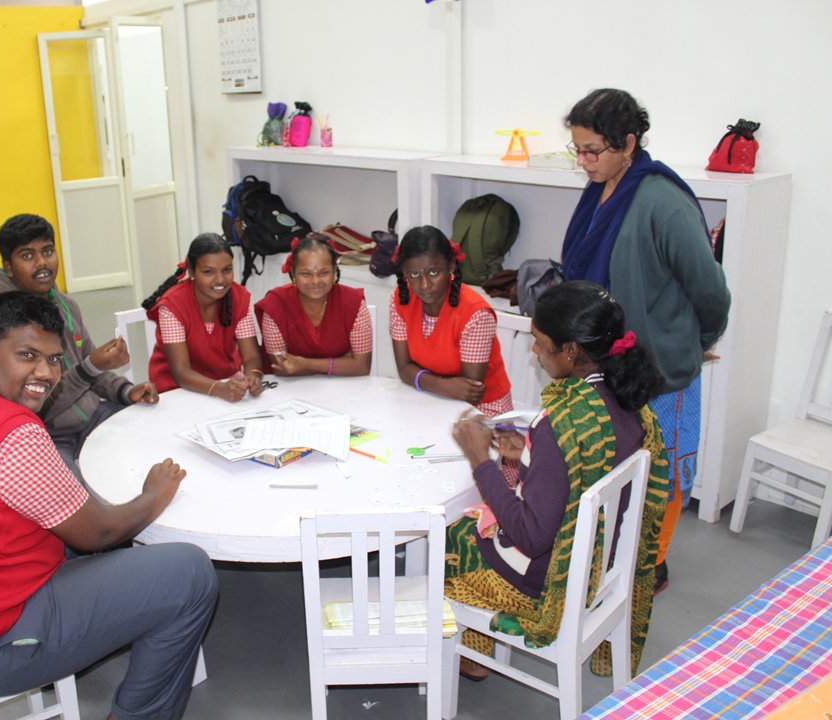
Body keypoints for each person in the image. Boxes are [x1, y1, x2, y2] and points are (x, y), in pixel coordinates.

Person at [0, 291, 217, 720]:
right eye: (27, 355)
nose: (45, 373)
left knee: (101, 535)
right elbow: (99, 532)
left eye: (54, 359)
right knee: (189, 573)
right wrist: (154, 494)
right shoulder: (10, 432)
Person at [445, 280, 669, 682]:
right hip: (603, 561)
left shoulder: (561, 422)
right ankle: (476, 652)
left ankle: (474, 655)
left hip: (553, 582)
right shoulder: (627, 398)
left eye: (540, 342)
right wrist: (530, 454)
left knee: (451, 538)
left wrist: (481, 461)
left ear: (571, 351)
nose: (535, 350)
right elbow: (587, 466)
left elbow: (531, 538)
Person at [562, 88, 731, 593]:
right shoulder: (600, 192)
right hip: (610, 361)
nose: (584, 161)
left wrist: (694, 341)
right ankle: (614, 551)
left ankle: (651, 564)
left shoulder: (664, 202)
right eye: (578, 149)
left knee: (661, 469)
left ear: (629, 143)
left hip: (658, 368)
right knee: (618, 465)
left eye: (593, 150)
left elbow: (711, 291)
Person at [0, 213, 158, 478]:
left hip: (91, 415)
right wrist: (90, 368)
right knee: (75, 496)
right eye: (27, 255)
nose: (42, 263)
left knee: (154, 438)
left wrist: (126, 391)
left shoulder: (66, 305)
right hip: (46, 434)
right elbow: (36, 407)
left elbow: (89, 364)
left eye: (48, 251)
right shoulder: (8, 326)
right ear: (8, 267)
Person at [390, 225, 515, 483]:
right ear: (404, 273)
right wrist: (443, 385)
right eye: (414, 274)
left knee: (461, 481)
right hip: (432, 399)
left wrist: (421, 377)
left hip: (483, 409)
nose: (424, 284)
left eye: (434, 272)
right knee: (410, 466)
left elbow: (470, 392)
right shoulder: (400, 299)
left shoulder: (475, 313)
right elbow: (403, 368)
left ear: (451, 266)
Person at [143, 233, 265, 401]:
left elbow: (252, 357)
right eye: (209, 272)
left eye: (227, 270)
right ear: (191, 272)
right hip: (176, 390)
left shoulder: (239, 297)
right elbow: (181, 372)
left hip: (224, 384)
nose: (220, 280)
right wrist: (219, 389)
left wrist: (253, 376)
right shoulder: (172, 304)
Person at [254, 233, 373, 376]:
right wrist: (342, 363)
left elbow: (361, 367)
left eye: (323, 273)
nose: (315, 281)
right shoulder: (275, 305)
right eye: (306, 273)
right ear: (293, 273)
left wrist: (305, 364)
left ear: (334, 271)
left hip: (343, 385)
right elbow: (282, 368)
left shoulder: (353, 303)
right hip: (293, 386)